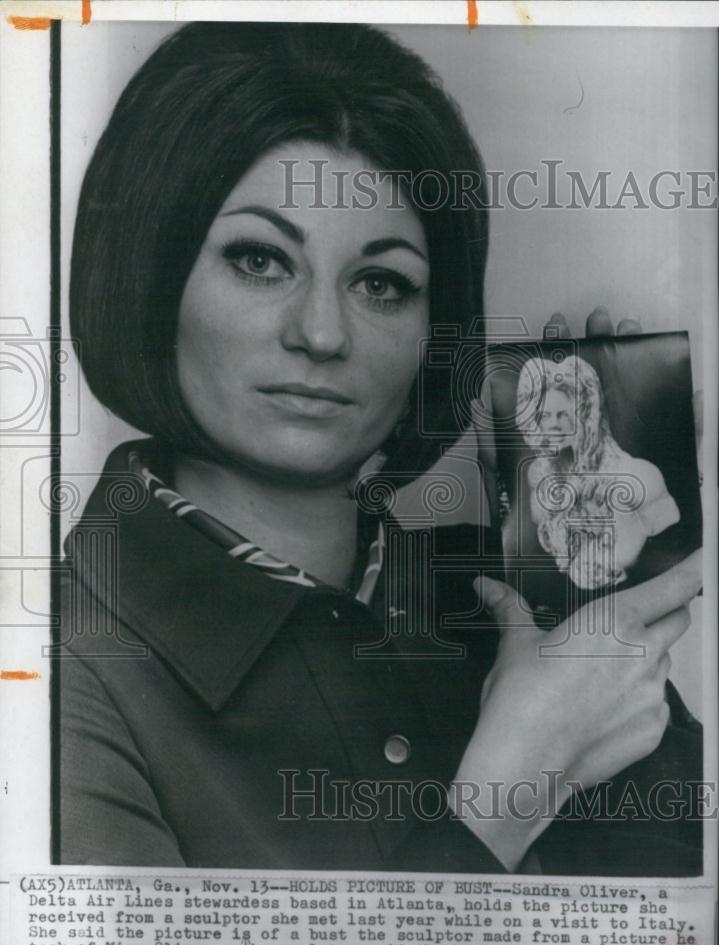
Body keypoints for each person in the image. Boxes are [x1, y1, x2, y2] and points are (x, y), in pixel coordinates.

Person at [59, 21, 702, 876]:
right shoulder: (55, 670)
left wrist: (592, 581)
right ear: (147, 272)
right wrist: (505, 796)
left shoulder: (497, 593)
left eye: (381, 283)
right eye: (258, 260)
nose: (322, 333)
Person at [515, 354, 681, 589]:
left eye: (564, 414)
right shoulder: (539, 477)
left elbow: (670, 551)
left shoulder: (640, 476)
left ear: (585, 415)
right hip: (563, 611)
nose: (553, 425)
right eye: (545, 416)